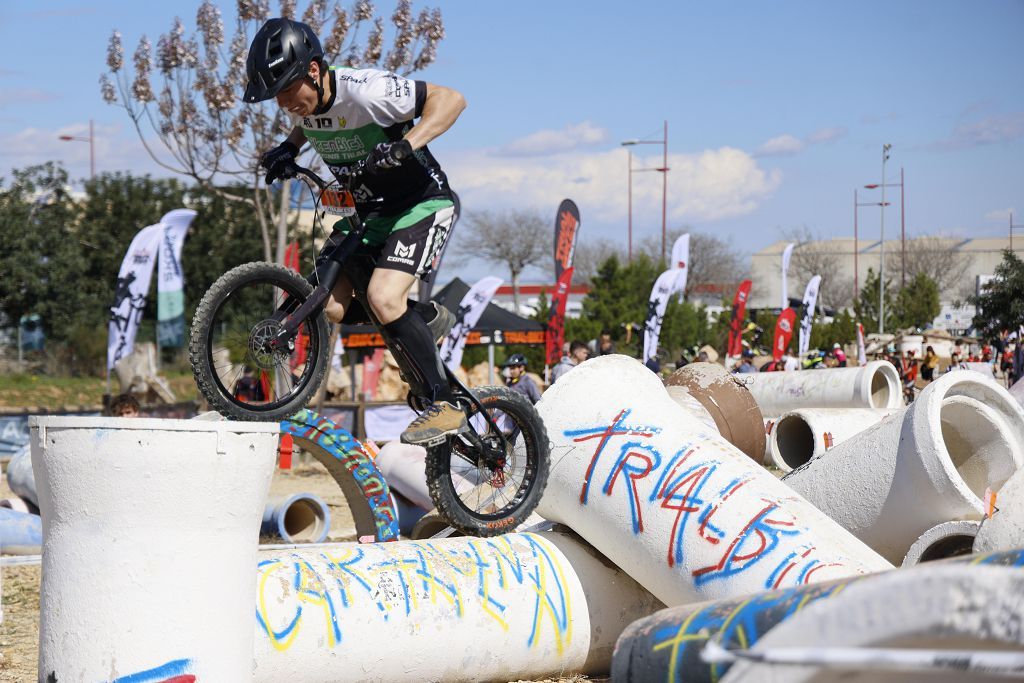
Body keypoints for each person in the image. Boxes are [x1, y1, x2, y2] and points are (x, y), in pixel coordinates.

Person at [245, 18, 465, 446]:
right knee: (326, 306)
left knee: (383, 297)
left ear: (313, 70)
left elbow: (451, 99)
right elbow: (315, 119)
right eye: (277, 98)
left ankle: (445, 401)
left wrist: (407, 144)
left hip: (422, 205)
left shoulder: (367, 89)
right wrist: (289, 149)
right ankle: (422, 319)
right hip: (368, 217)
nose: (286, 104)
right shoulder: (308, 104)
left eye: (288, 91)